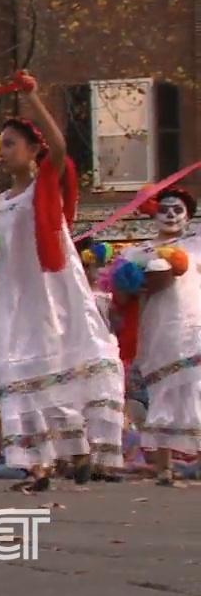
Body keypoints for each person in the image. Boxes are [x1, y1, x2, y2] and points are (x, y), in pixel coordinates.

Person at [0, 72, 123, 491]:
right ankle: (39, 463)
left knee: (64, 359)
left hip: (52, 290)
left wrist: (33, 97)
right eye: (1, 144)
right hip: (13, 294)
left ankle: (82, 450)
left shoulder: (44, 186)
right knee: (17, 364)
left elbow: (61, 148)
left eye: (11, 143)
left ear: (32, 151)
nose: (3, 151)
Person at [117, 188, 201, 486]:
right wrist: (134, 283)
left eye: (177, 210)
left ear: (189, 217)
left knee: (196, 391)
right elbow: (123, 296)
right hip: (159, 330)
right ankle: (164, 467)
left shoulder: (197, 245)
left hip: (195, 328)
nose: (170, 215)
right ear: (154, 213)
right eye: (164, 208)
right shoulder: (137, 252)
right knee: (163, 393)